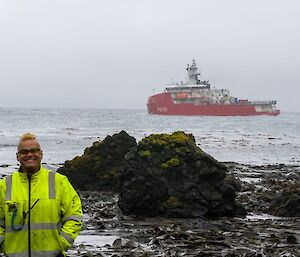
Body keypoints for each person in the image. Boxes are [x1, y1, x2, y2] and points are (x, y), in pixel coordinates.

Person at [0, 133, 83, 257]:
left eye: (34, 151)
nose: (29, 155)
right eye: (24, 152)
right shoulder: (5, 185)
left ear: (41, 154)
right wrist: (3, 244)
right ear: (17, 157)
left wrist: (61, 243)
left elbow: (74, 216)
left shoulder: (59, 182)